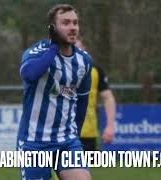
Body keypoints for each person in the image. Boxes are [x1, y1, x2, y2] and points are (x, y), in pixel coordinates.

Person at [18, 4, 92, 180]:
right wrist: (53, 47)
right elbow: (29, 74)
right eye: (66, 23)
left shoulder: (84, 61)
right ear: (52, 28)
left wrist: (76, 136)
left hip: (67, 141)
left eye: (75, 23)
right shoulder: (37, 52)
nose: (72, 27)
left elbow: (82, 102)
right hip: (34, 142)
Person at [75, 39, 116, 151]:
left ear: (84, 48)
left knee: (84, 168)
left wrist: (110, 125)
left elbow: (108, 98)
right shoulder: (55, 69)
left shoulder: (95, 70)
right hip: (59, 133)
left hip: (87, 132)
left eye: (78, 47)